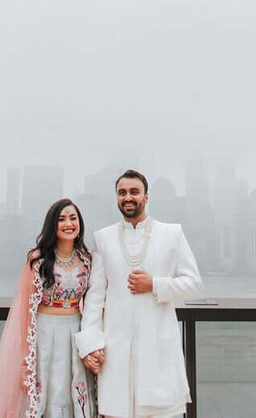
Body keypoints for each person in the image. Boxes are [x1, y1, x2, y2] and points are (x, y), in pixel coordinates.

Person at [75, 170, 203, 418]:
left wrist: (155, 284)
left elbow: (194, 284)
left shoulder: (172, 233)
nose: (128, 197)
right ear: (116, 197)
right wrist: (90, 345)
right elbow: (95, 299)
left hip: (158, 346)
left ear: (146, 196)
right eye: (122, 193)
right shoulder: (103, 238)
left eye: (134, 192)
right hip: (116, 350)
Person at [0, 198, 99, 418]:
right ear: (52, 224)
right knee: (45, 392)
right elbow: (25, 311)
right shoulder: (38, 260)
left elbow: (95, 302)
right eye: (62, 219)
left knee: (74, 392)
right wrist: (26, 358)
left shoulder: (87, 259)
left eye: (73, 218)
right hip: (44, 333)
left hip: (75, 330)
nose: (68, 223)